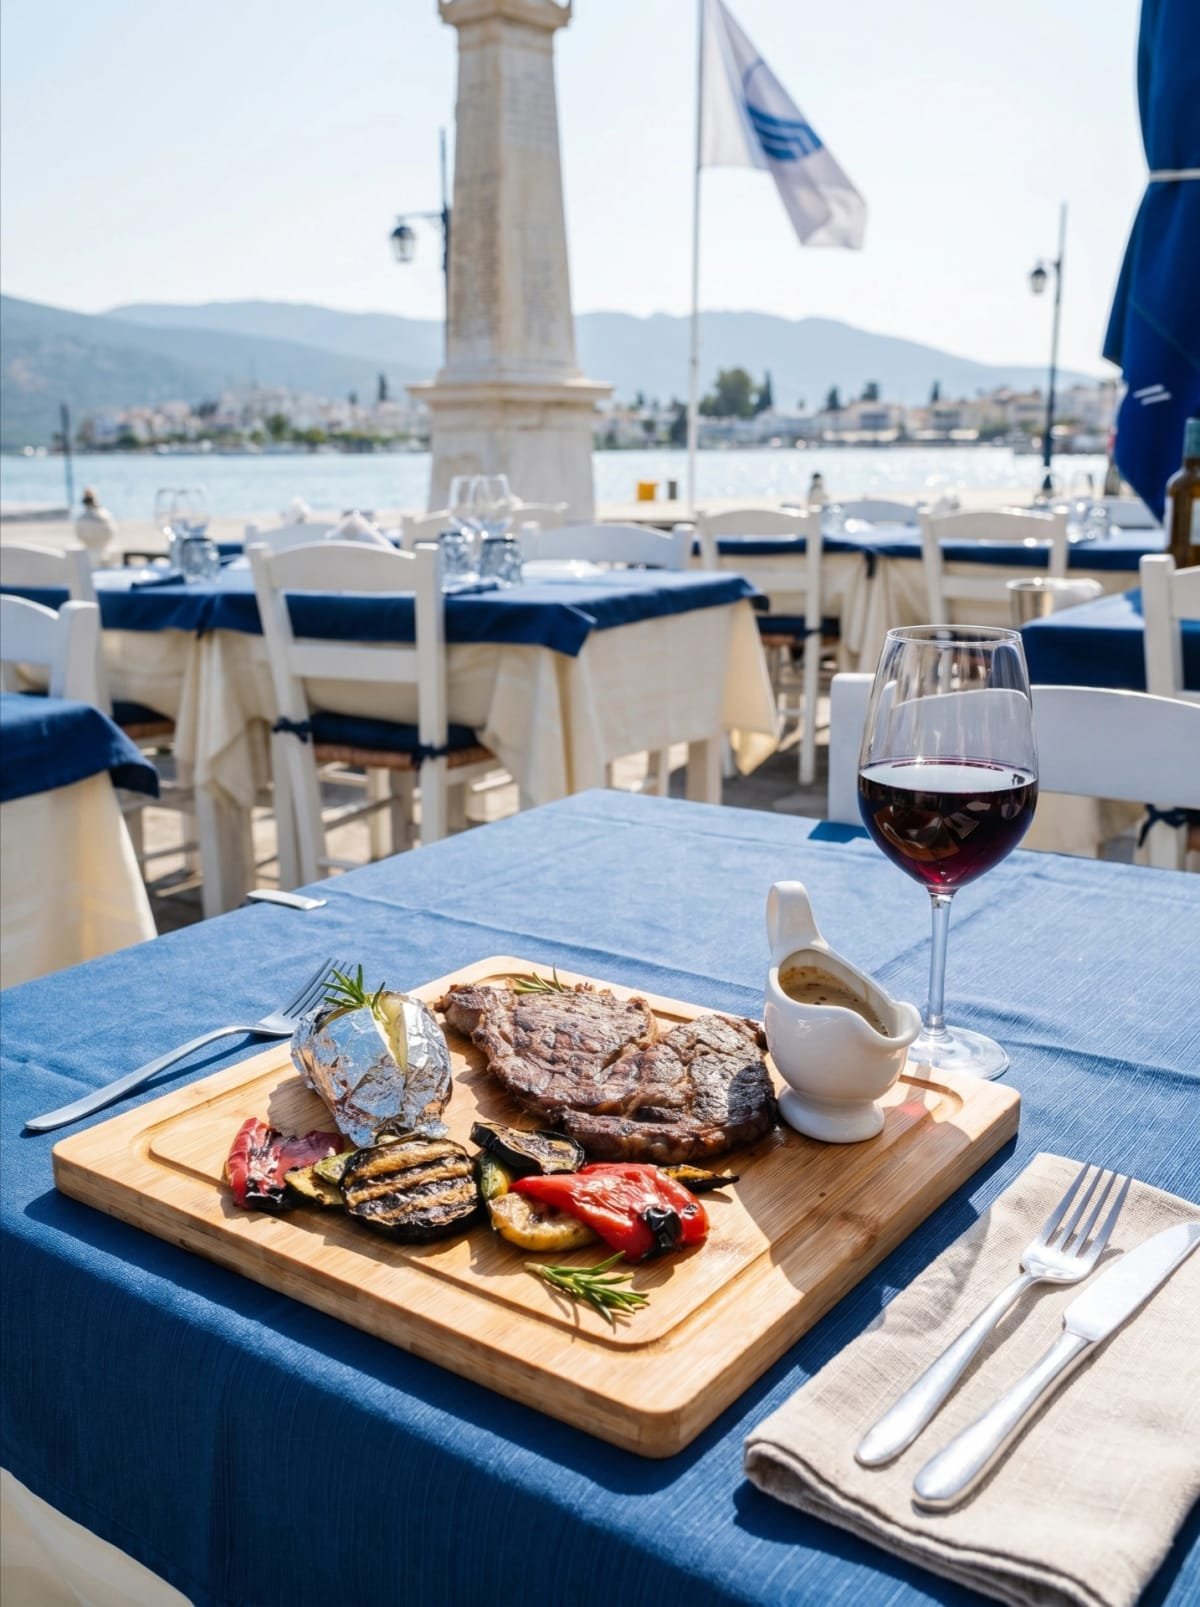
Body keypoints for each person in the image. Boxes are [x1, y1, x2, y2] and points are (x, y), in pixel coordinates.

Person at [74, 486, 118, 566]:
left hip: (91, 550)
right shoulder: (106, 515)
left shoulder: (82, 518)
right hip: (102, 549)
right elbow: (112, 532)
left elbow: (79, 534)